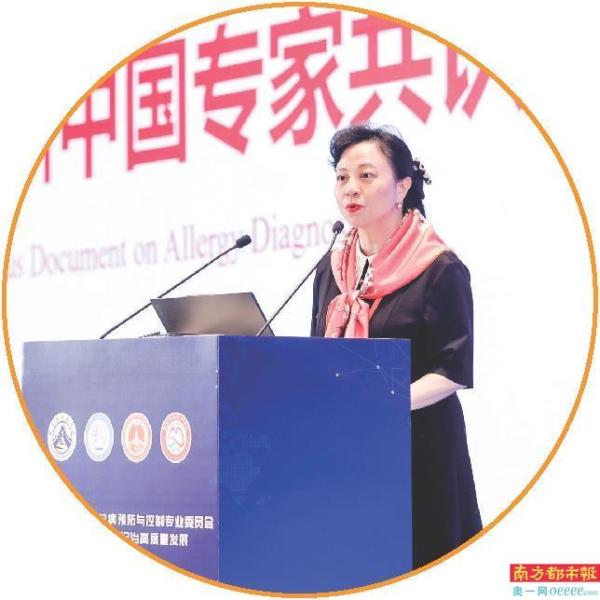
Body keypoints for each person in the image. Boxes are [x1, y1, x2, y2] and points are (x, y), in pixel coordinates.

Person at [310, 124, 482, 569]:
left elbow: (453, 369)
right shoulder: (331, 268)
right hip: (348, 445)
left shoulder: (438, 267)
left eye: (366, 176)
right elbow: (318, 355)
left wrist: (384, 404)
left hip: (419, 445)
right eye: (342, 177)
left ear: (403, 186)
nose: (351, 188)